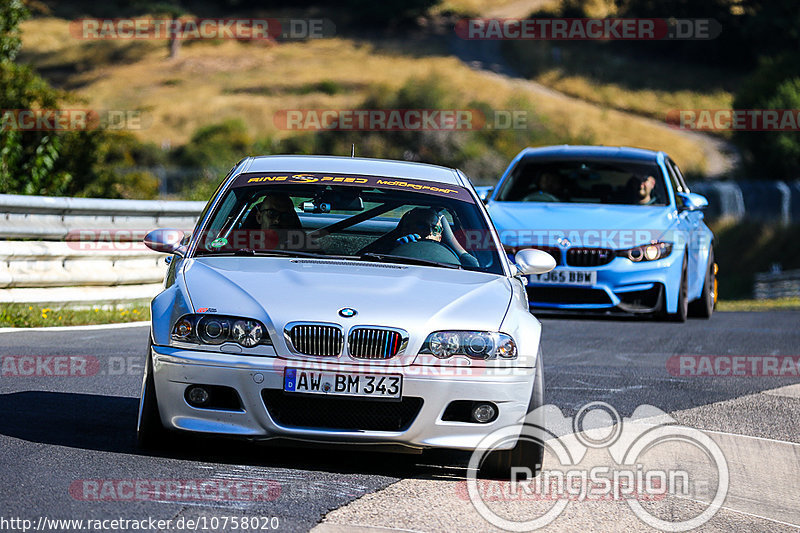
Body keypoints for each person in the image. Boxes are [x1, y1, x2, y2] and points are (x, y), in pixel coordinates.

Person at [392, 207, 479, 268]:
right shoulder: (393, 249)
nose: (429, 232)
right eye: (422, 226)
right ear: (406, 229)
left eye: (435, 229)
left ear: (440, 235)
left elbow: (474, 267)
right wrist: (396, 252)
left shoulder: (454, 258)